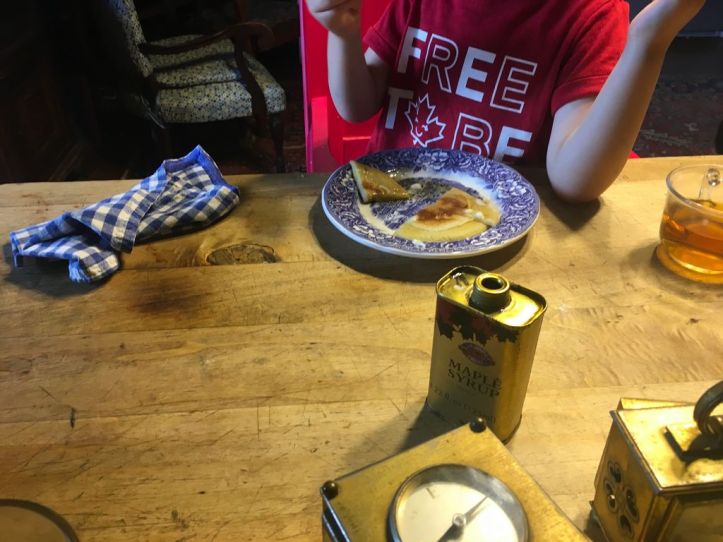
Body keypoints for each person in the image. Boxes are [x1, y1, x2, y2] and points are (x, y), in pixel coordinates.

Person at [306, 0, 707, 201]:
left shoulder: (592, 14)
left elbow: (575, 183)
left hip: (497, 236)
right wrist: (342, 33)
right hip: (389, 210)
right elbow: (357, 106)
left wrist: (648, 40)